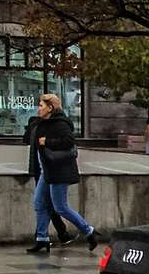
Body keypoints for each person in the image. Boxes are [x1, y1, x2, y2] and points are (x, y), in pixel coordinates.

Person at [27, 94, 99, 253]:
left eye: (41, 105)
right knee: (39, 203)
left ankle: (88, 231)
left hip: (59, 171)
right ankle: (42, 239)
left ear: (50, 108)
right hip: (47, 171)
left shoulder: (60, 124)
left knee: (60, 207)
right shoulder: (42, 123)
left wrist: (47, 141)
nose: (38, 109)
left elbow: (69, 142)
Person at [22, 115, 72, 245]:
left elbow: (26, 140)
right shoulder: (44, 127)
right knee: (51, 204)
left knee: (45, 203)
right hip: (46, 169)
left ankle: (45, 236)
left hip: (39, 169)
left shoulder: (36, 125)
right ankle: (62, 233)